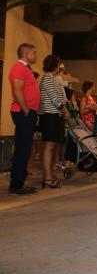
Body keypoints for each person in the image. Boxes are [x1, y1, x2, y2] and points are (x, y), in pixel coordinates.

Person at [8, 43, 41, 194]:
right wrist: (27, 110)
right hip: (23, 112)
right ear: (26, 53)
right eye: (34, 53)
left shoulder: (26, 69)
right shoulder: (18, 68)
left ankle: (19, 182)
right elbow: (17, 90)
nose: (36, 56)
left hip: (28, 113)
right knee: (22, 149)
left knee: (25, 149)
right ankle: (16, 185)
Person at [38, 55, 71, 189]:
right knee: (49, 146)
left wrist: (64, 109)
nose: (60, 67)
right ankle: (47, 178)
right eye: (59, 64)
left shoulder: (52, 79)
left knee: (52, 147)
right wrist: (65, 111)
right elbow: (55, 100)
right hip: (49, 116)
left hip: (55, 116)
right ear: (54, 65)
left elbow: (61, 98)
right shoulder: (47, 79)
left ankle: (49, 174)